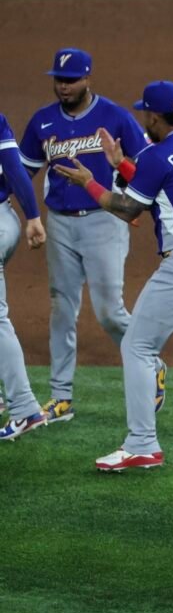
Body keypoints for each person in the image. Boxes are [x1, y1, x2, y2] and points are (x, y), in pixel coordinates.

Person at [55, 80, 173, 472]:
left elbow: (128, 209)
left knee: (137, 346)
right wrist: (121, 164)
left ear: (155, 116)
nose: (144, 120)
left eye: (145, 113)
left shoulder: (156, 154)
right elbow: (163, 188)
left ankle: (142, 444)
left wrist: (89, 183)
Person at [19, 48, 151, 425]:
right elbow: (22, 172)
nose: (64, 86)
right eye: (59, 80)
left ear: (87, 78)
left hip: (104, 221)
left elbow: (146, 167)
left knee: (110, 311)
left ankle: (150, 364)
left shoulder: (116, 117)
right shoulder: (42, 121)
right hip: (60, 223)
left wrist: (122, 174)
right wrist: (26, 213)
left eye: (71, 80)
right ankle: (61, 396)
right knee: (62, 308)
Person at [0, 112, 49, 441]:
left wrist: (33, 215)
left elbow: (14, 167)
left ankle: (24, 409)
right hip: (6, 219)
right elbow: (13, 167)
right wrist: (31, 216)